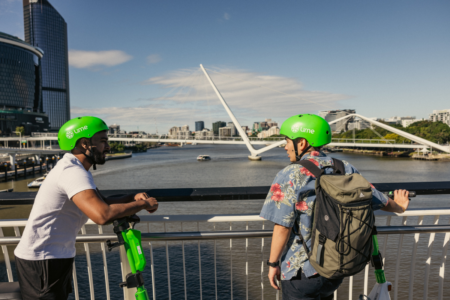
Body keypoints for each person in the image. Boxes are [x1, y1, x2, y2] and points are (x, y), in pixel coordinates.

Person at [260, 114, 410, 300]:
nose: (284, 146)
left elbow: (283, 225)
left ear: (302, 143)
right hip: (335, 267)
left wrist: (273, 263)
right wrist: (400, 207)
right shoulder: (343, 167)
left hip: (301, 271)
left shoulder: (291, 173)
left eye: (287, 140)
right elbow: (377, 199)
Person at [14, 116, 159, 300]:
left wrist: (132, 197)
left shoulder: (76, 169)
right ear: (84, 143)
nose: (107, 147)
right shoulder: (72, 172)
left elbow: (102, 202)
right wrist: (144, 204)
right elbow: (102, 215)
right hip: (42, 260)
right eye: (103, 141)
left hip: (52, 257)